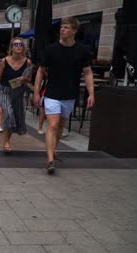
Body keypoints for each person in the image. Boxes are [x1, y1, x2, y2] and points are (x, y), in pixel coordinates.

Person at [34, 17, 94, 174]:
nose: (62, 30)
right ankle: (50, 160)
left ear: (74, 30)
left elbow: (87, 73)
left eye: (66, 27)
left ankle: (53, 150)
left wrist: (91, 94)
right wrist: (36, 91)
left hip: (70, 95)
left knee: (60, 126)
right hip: (52, 94)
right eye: (62, 27)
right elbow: (40, 71)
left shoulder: (83, 51)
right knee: (52, 125)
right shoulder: (50, 49)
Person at [0, 37, 32, 154]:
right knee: (9, 114)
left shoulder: (27, 62)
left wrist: (24, 79)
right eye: (16, 44)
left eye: (20, 44)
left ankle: (7, 140)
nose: (18, 46)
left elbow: (29, 79)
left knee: (15, 119)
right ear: (11, 47)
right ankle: (6, 142)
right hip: (4, 91)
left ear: (23, 47)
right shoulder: (4, 61)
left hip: (18, 92)